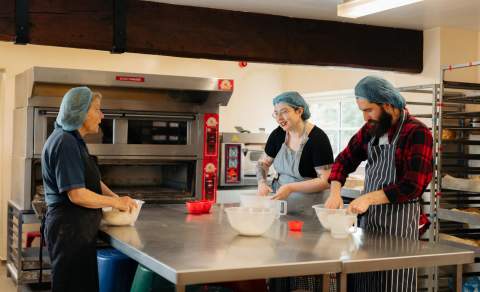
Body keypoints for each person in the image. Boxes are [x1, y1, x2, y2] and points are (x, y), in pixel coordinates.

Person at [325, 76, 433, 291]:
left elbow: (412, 186)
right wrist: (334, 192)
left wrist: (368, 198)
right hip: (369, 222)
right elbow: (343, 160)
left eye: (369, 110)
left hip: (399, 225)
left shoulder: (417, 132)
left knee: (392, 282)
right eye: (362, 111)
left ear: (387, 105)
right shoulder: (371, 130)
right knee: (365, 279)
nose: (366, 117)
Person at [41, 86, 137, 292]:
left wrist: (115, 197)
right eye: (97, 109)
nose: (102, 116)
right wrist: (115, 203)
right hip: (69, 230)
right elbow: (77, 194)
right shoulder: (65, 141)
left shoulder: (74, 139)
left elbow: (90, 179)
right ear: (80, 112)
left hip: (76, 230)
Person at [256, 91, 334, 291]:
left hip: (309, 214)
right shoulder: (277, 135)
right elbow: (262, 164)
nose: (279, 118)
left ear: (299, 111)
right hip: (282, 213)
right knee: (281, 260)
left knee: (304, 264)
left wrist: (290, 187)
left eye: (284, 112)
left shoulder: (317, 139)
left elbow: (325, 181)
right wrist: (261, 183)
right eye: (276, 113)